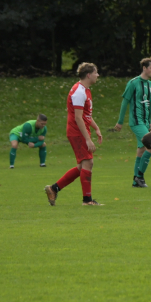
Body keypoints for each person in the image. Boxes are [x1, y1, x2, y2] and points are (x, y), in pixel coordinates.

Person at [44, 63, 104, 207]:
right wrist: (88, 139)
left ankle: (54, 189)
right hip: (77, 132)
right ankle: (87, 200)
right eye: (96, 72)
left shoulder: (85, 90)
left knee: (82, 166)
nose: (98, 75)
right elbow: (78, 118)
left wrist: (96, 128)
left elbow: (85, 115)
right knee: (88, 163)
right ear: (88, 75)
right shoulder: (79, 92)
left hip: (80, 131)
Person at [113, 57, 151, 188]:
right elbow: (125, 101)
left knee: (141, 150)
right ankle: (139, 176)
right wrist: (120, 122)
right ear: (144, 68)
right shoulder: (133, 83)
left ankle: (135, 182)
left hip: (145, 122)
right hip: (136, 122)